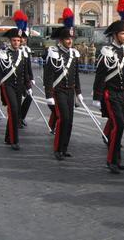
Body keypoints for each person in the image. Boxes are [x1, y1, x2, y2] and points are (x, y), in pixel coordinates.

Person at [92, 19, 124, 174]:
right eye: (122, 33)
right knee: (119, 125)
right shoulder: (107, 52)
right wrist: (97, 96)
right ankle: (111, 160)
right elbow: (100, 75)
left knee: (118, 126)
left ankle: (117, 159)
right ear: (115, 35)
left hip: (122, 93)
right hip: (111, 94)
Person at [44, 10, 82, 160]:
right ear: (61, 40)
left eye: (71, 38)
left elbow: (76, 74)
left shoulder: (74, 54)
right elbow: (48, 76)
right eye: (67, 39)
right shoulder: (53, 53)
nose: (70, 41)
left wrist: (78, 92)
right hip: (58, 91)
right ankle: (57, 148)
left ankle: (64, 148)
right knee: (63, 119)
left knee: (70, 121)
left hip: (70, 91)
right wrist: (48, 95)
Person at [0, 28, 32, 151]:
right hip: (7, 85)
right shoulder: (3, 54)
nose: (16, 43)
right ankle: (14, 140)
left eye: (18, 40)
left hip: (19, 86)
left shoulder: (23, 54)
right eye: (14, 40)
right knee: (13, 110)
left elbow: (25, 73)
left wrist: (28, 86)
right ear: (10, 41)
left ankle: (8, 136)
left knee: (16, 111)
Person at [20, 32, 34, 128]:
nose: (22, 40)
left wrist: (31, 78)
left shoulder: (27, 50)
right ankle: (16, 119)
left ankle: (21, 117)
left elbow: (28, 66)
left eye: (24, 39)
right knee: (16, 101)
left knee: (29, 97)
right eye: (20, 38)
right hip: (15, 79)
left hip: (25, 78)